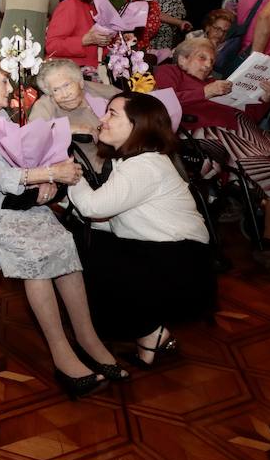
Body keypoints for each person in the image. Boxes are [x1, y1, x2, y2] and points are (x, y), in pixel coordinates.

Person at [0, 56, 122, 396]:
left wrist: (42, 180)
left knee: (63, 239)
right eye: (2, 81)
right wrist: (49, 174)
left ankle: (87, 337)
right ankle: (61, 352)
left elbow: (18, 158)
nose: (10, 87)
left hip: (10, 198)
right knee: (37, 254)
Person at [68, 93, 216, 364]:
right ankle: (147, 339)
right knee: (83, 241)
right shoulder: (136, 161)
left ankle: (146, 332)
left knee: (84, 252)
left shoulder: (144, 166)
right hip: (169, 254)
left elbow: (92, 208)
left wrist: (69, 172)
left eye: (112, 113)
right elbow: (113, 217)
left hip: (179, 263)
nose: (102, 119)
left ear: (138, 125)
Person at [154, 37, 270, 248]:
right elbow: (162, 102)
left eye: (211, 61)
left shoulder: (216, 84)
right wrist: (204, 92)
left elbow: (249, 114)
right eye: (202, 58)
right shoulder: (170, 72)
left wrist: (264, 98)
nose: (208, 65)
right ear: (182, 60)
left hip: (244, 130)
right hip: (207, 135)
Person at [31, 58, 120, 165]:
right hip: (94, 170)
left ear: (80, 82)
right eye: (55, 90)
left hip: (124, 154)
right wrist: (72, 128)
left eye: (66, 85)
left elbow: (133, 104)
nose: (65, 94)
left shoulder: (93, 89)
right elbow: (33, 134)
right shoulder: (45, 104)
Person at [45, 0, 118, 67]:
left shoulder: (105, 9)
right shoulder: (71, 5)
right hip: (66, 72)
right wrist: (83, 40)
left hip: (94, 72)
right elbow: (52, 46)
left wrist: (117, 41)